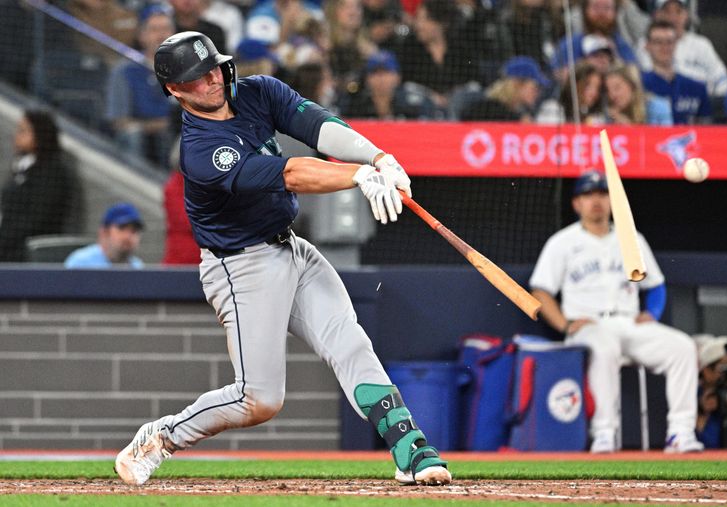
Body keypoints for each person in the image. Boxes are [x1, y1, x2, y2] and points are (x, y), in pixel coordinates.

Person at [114, 31, 451, 487]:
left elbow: (319, 127)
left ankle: (410, 447)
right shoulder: (200, 151)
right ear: (175, 90)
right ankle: (161, 437)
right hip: (240, 266)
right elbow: (291, 173)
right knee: (260, 399)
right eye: (197, 77)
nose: (212, 79)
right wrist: (358, 176)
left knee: (350, 342)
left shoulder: (258, 92)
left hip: (291, 247)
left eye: (213, 67)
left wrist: (379, 157)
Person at [528, 170, 703, 453]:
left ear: (613, 200)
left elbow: (656, 285)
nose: (596, 200)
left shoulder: (631, 238)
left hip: (628, 322)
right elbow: (540, 291)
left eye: (602, 194)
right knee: (604, 346)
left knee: (682, 347)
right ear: (576, 204)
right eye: (588, 195)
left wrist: (653, 313)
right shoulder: (562, 242)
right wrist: (564, 325)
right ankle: (604, 433)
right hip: (589, 326)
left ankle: (681, 433)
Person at [0, 110, 83, 262]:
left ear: (40, 134)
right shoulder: (21, 167)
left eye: (23, 131)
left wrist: (4, 237)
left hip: (31, 252)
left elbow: (38, 219)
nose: (17, 136)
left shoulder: (54, 172)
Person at [105, 4, 177, 167]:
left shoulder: (188, 70)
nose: (161, 35)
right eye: (154, 30)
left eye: (166, 29)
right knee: (133, 134)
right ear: (142, 36)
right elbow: (119, 121)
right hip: (141, 138)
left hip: (175, 136)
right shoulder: (124, 70)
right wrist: (156, 125)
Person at [635, 0, 727, 98]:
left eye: (678, 11)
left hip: (703, 102)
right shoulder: (647, 44)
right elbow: (656, 76)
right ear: (657, 15)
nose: (673, 17)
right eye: (667, 12)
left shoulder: (701, 44)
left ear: (686, 15)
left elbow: (722, 78)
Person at [641, 20, 711, 125]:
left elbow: (707, 131)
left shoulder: (696, 88)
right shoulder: (637, 85)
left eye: (669, 42)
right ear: (647, 46)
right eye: (658, 42)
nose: (664, 47)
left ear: (676, 44)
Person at [338, 50, 439, 119]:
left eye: (386, 72)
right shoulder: (355, 104)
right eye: (375, 72)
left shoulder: (413, 103)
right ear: (367, 78)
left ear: (398, 77)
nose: (381, 78)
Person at [459, 56, 555, 122]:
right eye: (535, 87)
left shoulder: (520, 113)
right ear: (517, 84)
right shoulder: (484, 109)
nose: (538, 93)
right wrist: (518, 121)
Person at [64, 202, 145, 269]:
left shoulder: (138, 266)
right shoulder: (81, 263)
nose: (128, 236)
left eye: (134, 231)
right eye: (122, 228)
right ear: (104, 232)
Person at [604, 63, 672, 125]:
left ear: (632, 86)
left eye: (617, 88)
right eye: (608, 90)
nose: (612, 95)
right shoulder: (610, 115)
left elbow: (668, 137)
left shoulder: (659, 107)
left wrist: (629, 128)